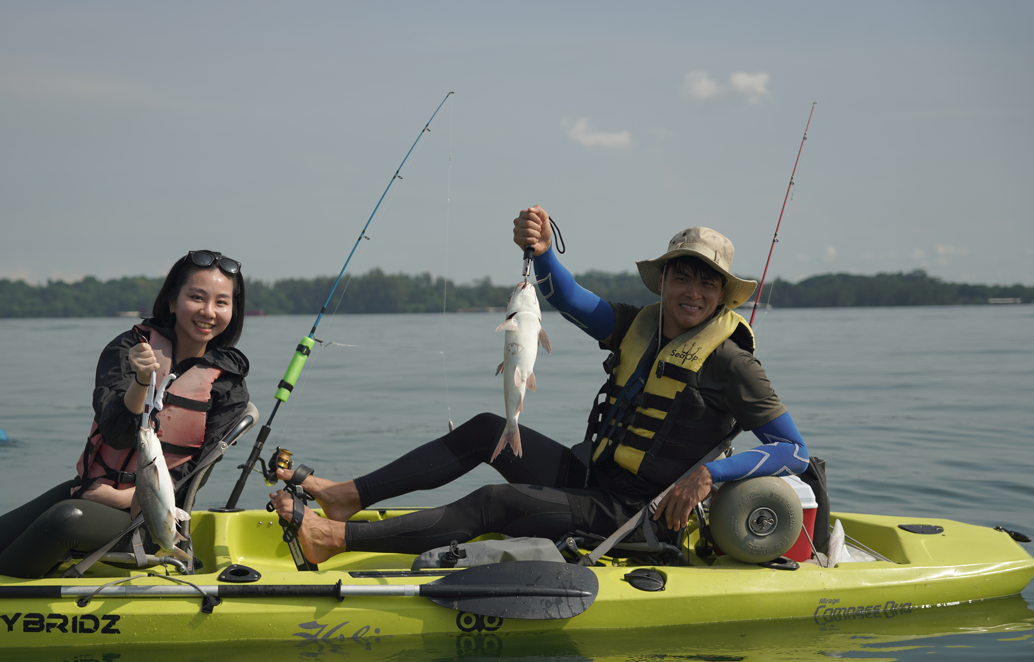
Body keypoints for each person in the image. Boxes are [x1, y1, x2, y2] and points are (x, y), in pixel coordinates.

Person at [270, 207, 809, 564]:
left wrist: (710, 474)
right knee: (486, 429)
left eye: (707, 280)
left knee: (496, 502)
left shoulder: (733, 364)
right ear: (663, 281)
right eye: (682, 276)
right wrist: (544, 249)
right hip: (593, 478)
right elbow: (570, 299)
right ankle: (347, 498)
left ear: (722, 296)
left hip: (639, 516)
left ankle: (334, 540)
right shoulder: (636, 325)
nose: (693, 290)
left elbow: (794, 452)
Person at [0, 250, 250, 578]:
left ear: (233, 312)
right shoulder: (128, 348)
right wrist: (140, 379)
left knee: (63, 521)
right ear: (172, 301)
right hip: (89, 488)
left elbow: (192, 475)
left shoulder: (228, 386)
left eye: (222, 302)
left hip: (153, 519)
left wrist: (124, 498)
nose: (208, 312)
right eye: (196, 297)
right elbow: (118, 433)